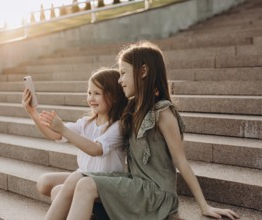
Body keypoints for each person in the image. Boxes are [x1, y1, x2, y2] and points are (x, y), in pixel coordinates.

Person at [42, 41, 240, 220]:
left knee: (84, 183)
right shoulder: (132, 110)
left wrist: (204, 206)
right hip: (135, 185)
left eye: (123, 73)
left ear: (143, 71)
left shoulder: (162, 112)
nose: (120, 80)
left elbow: (180, 161)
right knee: (67, 186)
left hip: (155, 194)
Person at [22, 68, 128, 202]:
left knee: (59, 190)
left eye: (97, 93)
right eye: (89, 93)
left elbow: (96, 149)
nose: (91, 98)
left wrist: (62, 129)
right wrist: (32, 112)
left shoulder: (118, 126)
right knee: (44, 182)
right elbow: (54, 135)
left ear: (114, 96)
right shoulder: (86, 123)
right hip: (83, 175)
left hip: (103, 182)